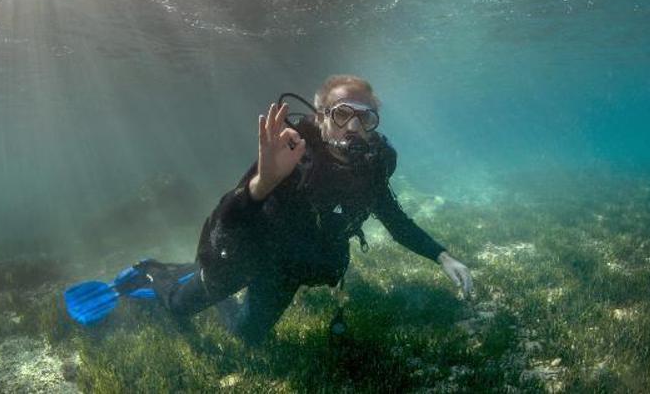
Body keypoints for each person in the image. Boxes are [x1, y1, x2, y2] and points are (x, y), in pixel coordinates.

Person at [137, 75, 473, 344]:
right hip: (250, 253)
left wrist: (443, 256)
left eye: (365, 118)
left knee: (247, 336)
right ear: (321, 117)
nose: (354, 128)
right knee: (179, 307)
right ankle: (155, 271)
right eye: (342, 114)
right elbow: (225, 222)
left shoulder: (371, 169)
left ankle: (218, 297)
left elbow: (395, 220)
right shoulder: (291, 154)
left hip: (288, 269)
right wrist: (262, 183)